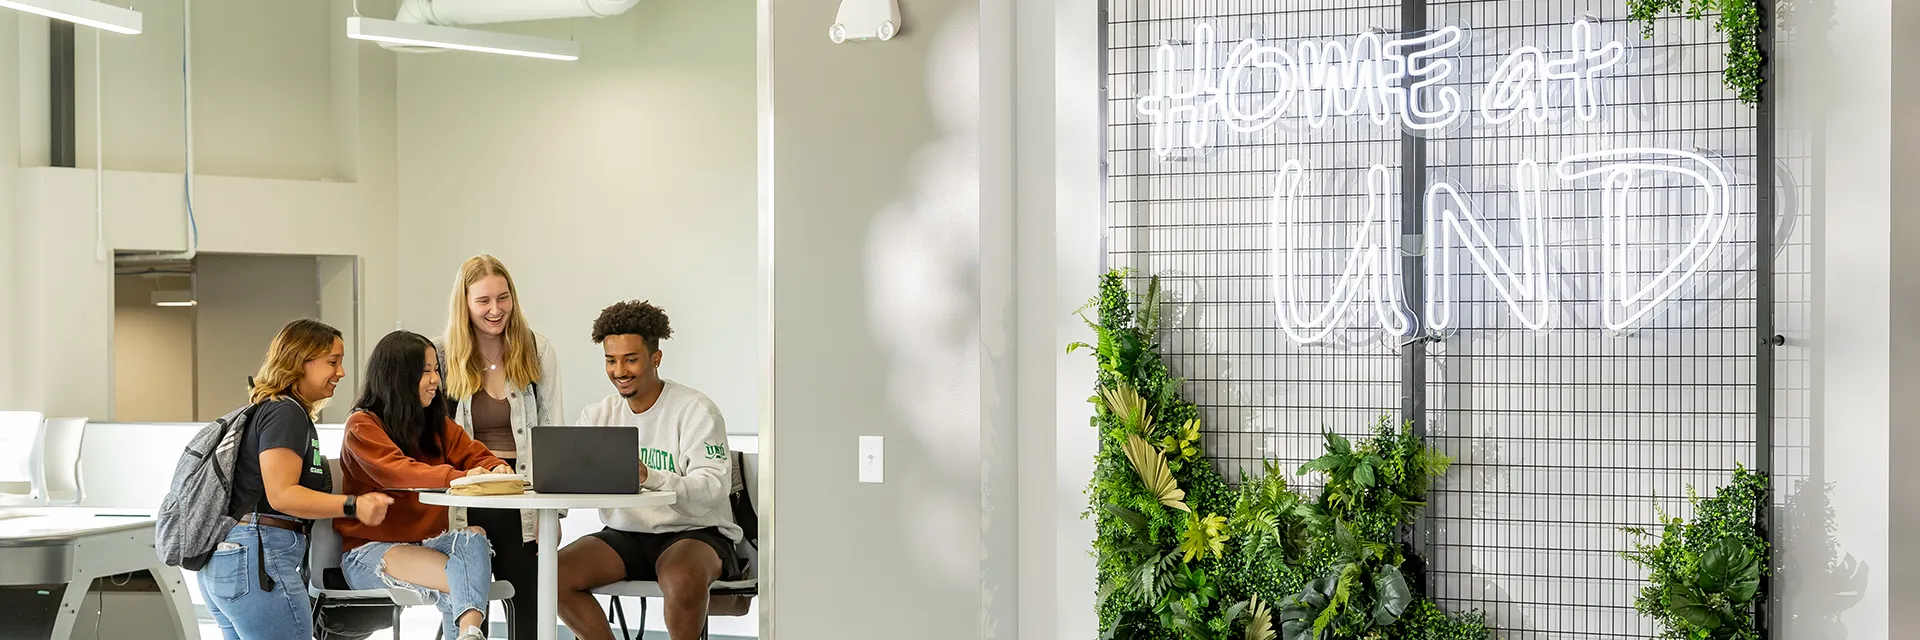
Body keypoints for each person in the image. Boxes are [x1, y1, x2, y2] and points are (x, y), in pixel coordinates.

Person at [555, 301, 743, 640]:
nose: (619, 370)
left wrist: (649, 477)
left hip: (695, 532)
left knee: (680, 576)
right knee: (552, 575)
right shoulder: (599, 415)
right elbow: (574, 475)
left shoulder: (696, 410)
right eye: (610, 360)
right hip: (627, 535)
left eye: (630, 359)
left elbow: (712, 489)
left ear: (655, 359)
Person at [201, 319, 394, 640]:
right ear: (299, 361)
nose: (341, 373)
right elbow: (282, 495)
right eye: (333, 362)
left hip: (232, 561)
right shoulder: (285, 413)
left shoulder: (268, 410)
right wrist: (353, 505)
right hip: (261, 560)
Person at [335, 330, 513, 640]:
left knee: (475, 538)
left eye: (436, 371)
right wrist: (459, 477)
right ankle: (469, 633)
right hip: (368, 552)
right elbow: (397, 472)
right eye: (425, 371)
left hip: (426, 544)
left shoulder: (436, 423)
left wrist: (494, 466)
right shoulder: (362, 425)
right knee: (460, 576)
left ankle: (470, 633)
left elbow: (474, 454)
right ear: (398, 377)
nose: (435, 380)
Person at [436, 254, 563, 639]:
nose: (495, 310)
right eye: (483, 301)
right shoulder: (440, 355)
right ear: (465, 304)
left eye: (503, 298)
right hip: (466, 497)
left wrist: (553, 513)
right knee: (469, 609)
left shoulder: (536, 349)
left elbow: (551, 429)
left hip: (522, 498)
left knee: (530, 608)